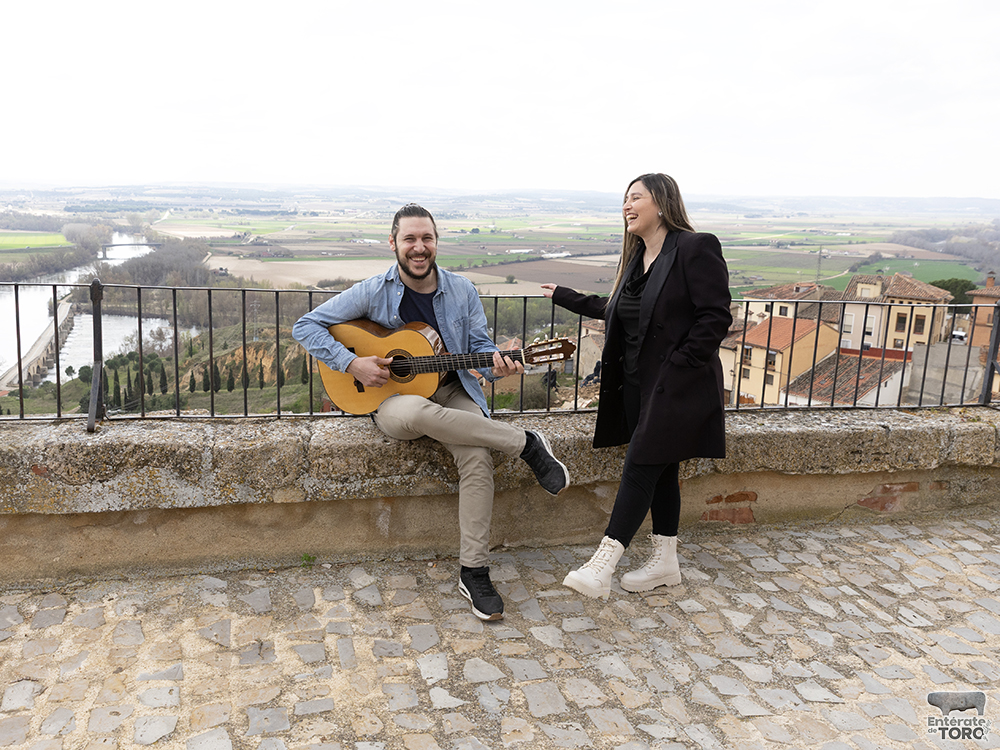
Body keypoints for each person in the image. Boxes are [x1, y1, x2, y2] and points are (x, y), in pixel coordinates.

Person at [293, 203, 570, 621]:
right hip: (391, 402)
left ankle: (473, 570)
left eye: (426, 238)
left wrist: (498, 366)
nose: (419, 247)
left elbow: (479, 355)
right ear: (394, 244)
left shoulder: (462, 290)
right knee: (421, 412)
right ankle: (526, 444)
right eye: (410, 239)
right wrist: (352, 363)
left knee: (477, 457)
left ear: (436, 242)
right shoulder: (373, 290)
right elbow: (305, 326)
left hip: (452, 390)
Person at [541, 173, 731, 600]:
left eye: (635, 198)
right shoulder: (637, 259)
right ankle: (665, 563)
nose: (626, 206)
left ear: (661, 203)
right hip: (635, 388)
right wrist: (567, 296)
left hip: (676, 387)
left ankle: (602, 565)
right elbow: (618, 311)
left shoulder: (695, 248)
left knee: (641, 464)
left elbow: (715, 317)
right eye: (624, 200)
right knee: (662, 471)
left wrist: (679, 365)